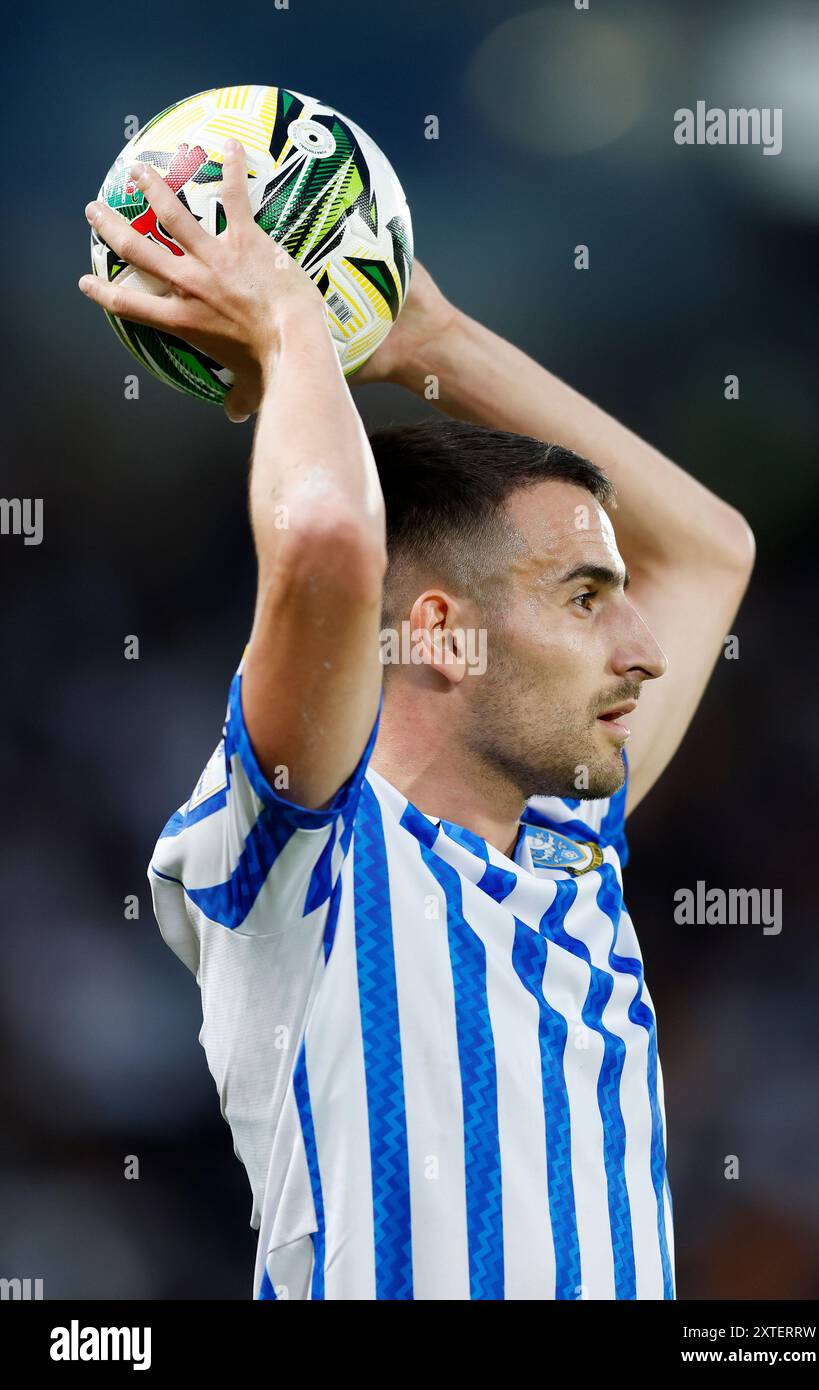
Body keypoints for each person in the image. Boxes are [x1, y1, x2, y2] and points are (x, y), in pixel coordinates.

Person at [79, 139, 755, 1300]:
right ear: (437, 632)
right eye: (586, 597)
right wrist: (291, 322)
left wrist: (423, 342)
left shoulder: (566, 845)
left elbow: (708, 550)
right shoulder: (305, 859)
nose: (641, 648)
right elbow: (330, 542)